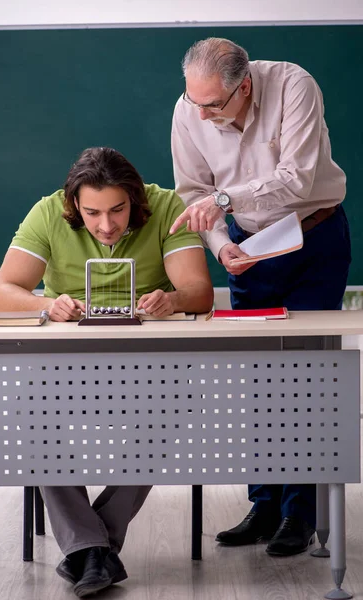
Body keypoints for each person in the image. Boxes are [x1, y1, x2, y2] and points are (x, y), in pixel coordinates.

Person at [0, 146, 213, 597]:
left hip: (148, 366)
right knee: (29, 412)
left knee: (170, 406)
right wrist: (47, 305)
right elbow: (2, 293)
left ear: (135, 197)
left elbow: (200, 292)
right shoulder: (48, 212)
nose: (106, 225)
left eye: (117, 210)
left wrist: (172, 300)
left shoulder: (168, 205)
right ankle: (98, 549)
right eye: (92, 213)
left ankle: (88, 547)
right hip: (62, 363)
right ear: (74, 205)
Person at [170, 37, 351, 557]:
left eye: (212, 105)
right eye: (193, 102)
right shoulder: (189, 107)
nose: (201, 115)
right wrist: (223, 246)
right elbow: (191, 193)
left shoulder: (294, 85)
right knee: (259, 382)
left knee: (308, 378)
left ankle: (301, 510)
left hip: (312, 236)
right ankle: (265, 503)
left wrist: (224, 199)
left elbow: (297, 180)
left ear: (244, 86)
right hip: (249, 249)